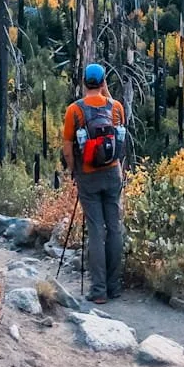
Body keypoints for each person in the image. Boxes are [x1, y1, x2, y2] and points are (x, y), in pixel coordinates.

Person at [62, 63, 127, 304]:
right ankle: (114, 285)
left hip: (88, 175)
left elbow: (68, 149)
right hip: (112, 174)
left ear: (83, 82)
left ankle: (99, 290)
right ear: (102, 83)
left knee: (96, 230)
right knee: (114, 227)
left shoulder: (74, 110)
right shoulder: (116, 107)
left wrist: (74, 171)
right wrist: (105, 91)